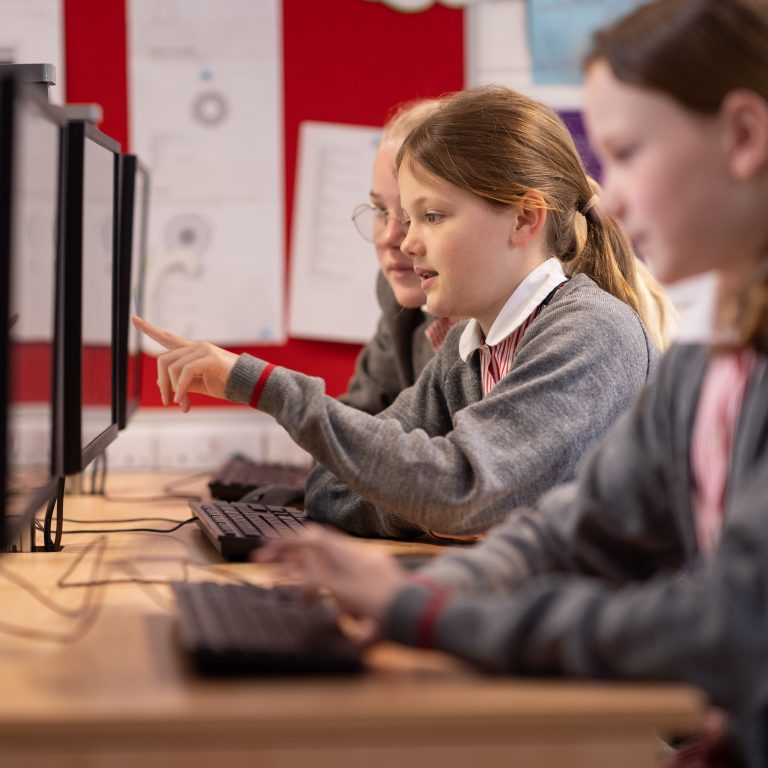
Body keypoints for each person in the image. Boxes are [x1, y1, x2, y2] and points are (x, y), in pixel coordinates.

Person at [257, 0, 768, 763]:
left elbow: (721, 625)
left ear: (744, 137)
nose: (612, 196)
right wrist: (427, 591)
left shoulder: (622, 336)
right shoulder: (710, 358)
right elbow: (574, 534)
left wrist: (430, 616)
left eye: (628, 153)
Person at [135, 84, 665, 540]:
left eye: (431, 216)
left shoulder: (590, 333)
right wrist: (435, 511)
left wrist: (262, 384)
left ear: (524, 219)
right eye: (402, 217)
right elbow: (334, 485)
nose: (406, 241)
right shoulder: (467, 352)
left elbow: (460, 486)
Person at [341, 98, 455, 415]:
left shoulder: (530, 330)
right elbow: (354, 424)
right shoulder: (399, 300)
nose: (391, 238)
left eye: (419, 214)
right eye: (380, 210)